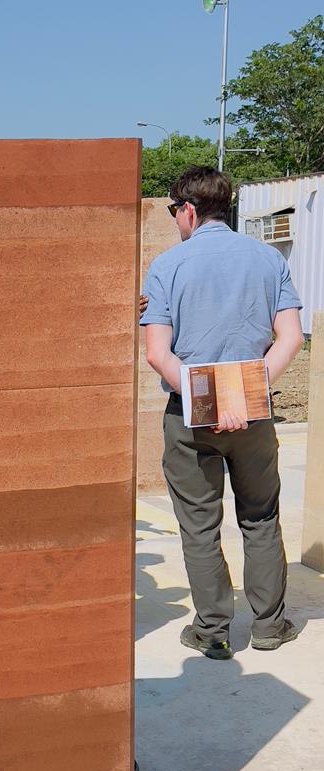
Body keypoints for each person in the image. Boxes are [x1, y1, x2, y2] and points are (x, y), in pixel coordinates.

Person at [140, 166, 304, 659]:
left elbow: (158, 354)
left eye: (175, 211)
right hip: (254, 416)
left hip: (190, 417)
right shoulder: (268, 259)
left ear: (189, 210)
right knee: (260, 516)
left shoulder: (167, 266)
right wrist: (242, 395)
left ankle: (212, 630)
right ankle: (269, 626)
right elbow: (290, 338)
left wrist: (209, 400)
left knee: (199, 525)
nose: (176, 220)